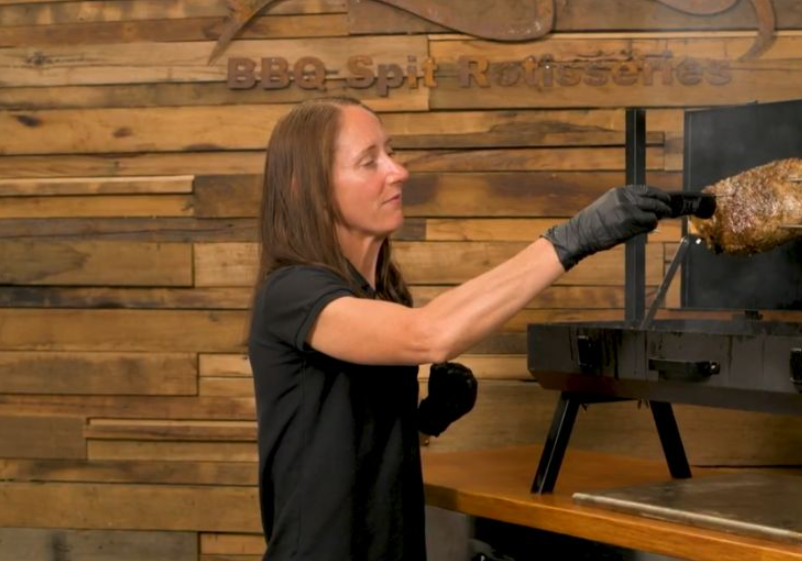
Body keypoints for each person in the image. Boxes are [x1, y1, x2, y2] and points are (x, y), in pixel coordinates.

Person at [247, 96, 686, 561]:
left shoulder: (380, 296)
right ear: (306, 188)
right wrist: (573, 238)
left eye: (391, 153)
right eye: (368, 161)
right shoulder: (292, 292)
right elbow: (428, 335)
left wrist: (426, 421)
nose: (398, 172)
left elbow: (346, 444)